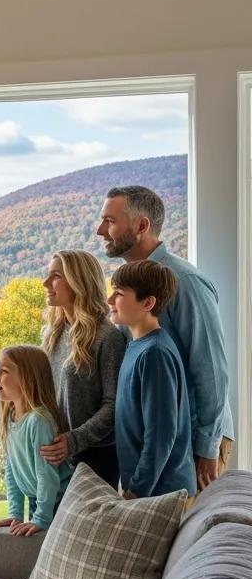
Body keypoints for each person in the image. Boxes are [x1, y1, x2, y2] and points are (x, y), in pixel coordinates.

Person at [97, 185, 232, 490]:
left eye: (110, 221)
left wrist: (206, 448)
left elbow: (211, 370)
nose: (100, 230)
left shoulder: (186, 283)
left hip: (191, 444)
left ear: (141, 226)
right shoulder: (127, 295)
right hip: (154, 448)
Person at [109, 260, 196, 499]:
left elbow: (161, 435)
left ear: (147, 303)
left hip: (162, 494)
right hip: (149, 491)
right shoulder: (137, 346)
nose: (109, 300)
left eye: (119, 294)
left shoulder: (154, 353)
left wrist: (136, 490)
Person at [38, 250, 126, 488]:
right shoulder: (53, 335)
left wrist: (74, 440)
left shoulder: (108, 337)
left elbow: (114, 406)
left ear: (80, 282)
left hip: (95, 459)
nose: (46, 283)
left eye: (56, 276)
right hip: (55, 454)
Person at [0, 346, 73, 537]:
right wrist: (15, 514)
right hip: (39, 500)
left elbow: (47, 476)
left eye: (4, 371)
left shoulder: (38, 422)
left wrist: (41, 518)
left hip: (59, 501)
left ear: (27, 379)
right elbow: (12, 471)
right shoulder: (10, 418)